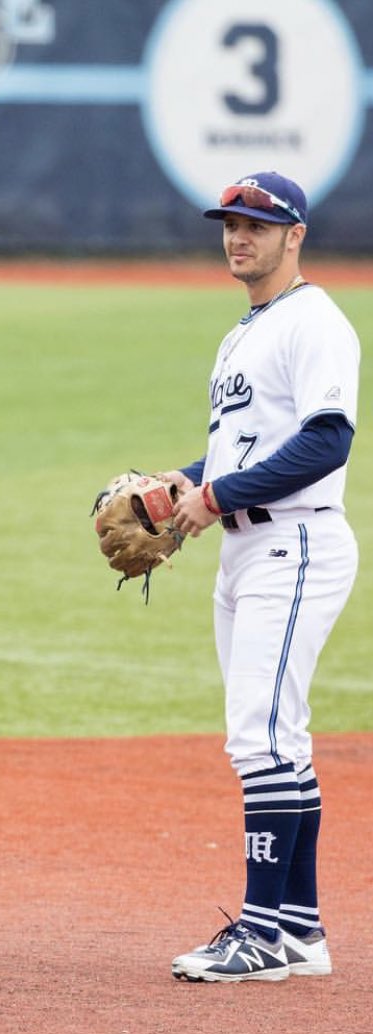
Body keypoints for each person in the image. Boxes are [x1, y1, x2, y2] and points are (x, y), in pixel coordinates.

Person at [164, 172, 359, 982]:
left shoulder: (315, 322)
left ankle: (257, 933)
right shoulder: (243, 331)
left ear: (294, 234)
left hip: (296, 543)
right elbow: (237, 452)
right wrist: (172, 488)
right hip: (247, 549)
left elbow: (325, 442)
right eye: (229, 223)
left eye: (255, 224)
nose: (238, 236)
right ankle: (299, 930)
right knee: (281, 735)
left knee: (260, 737)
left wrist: (212, 496)